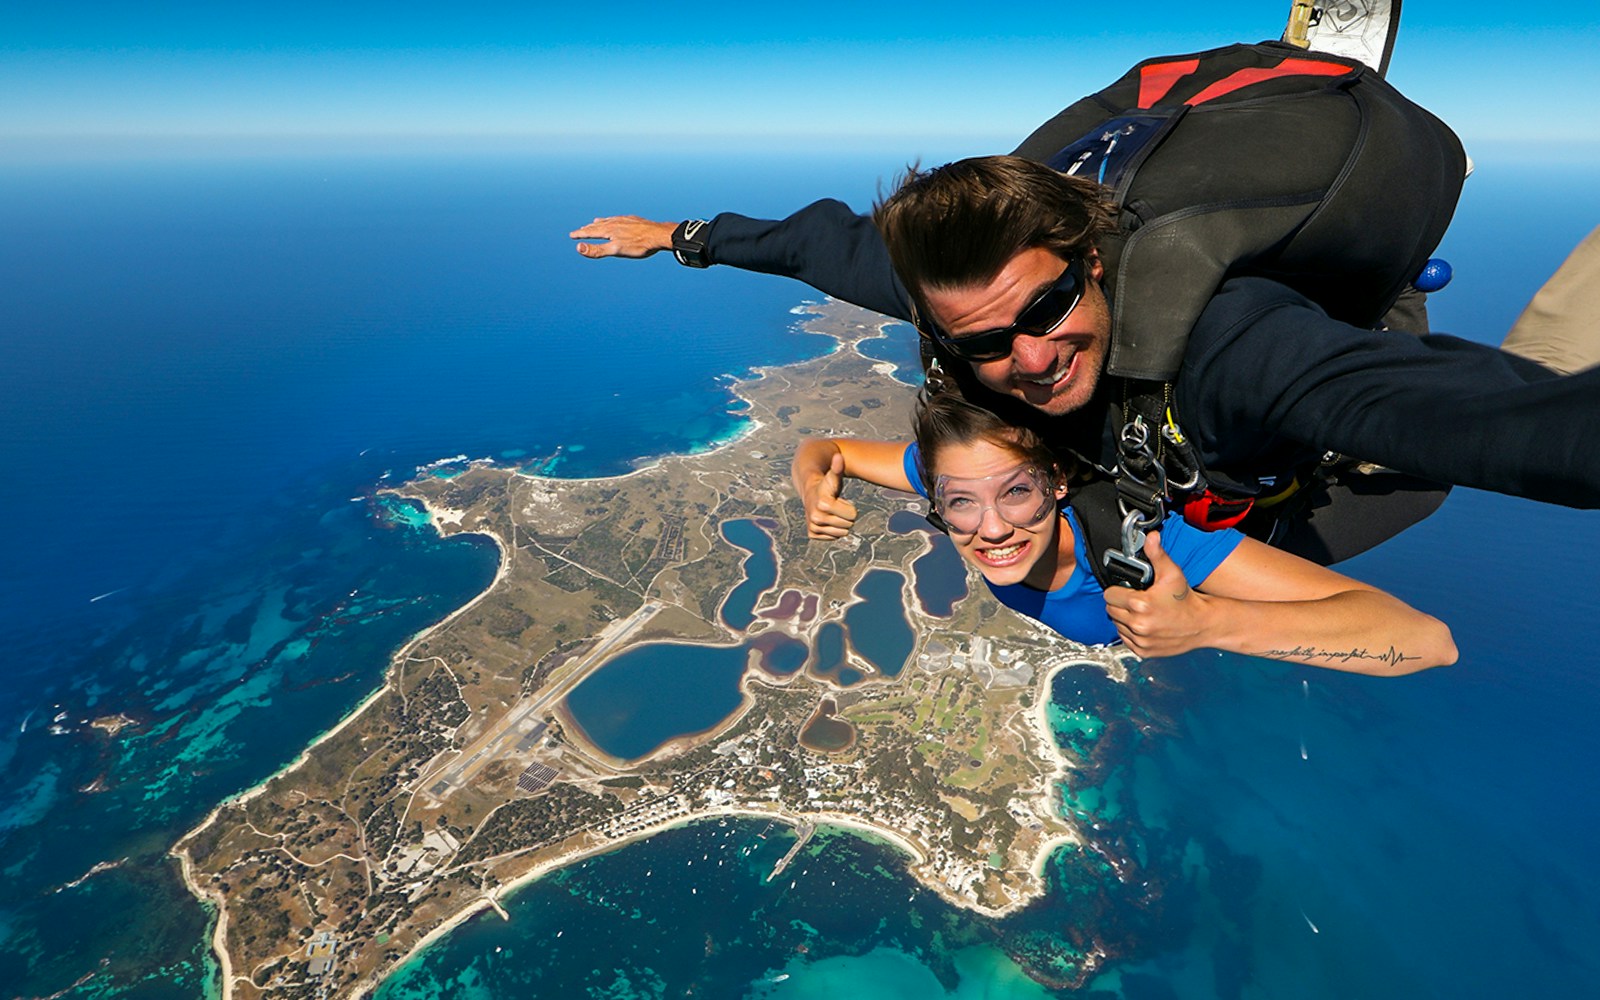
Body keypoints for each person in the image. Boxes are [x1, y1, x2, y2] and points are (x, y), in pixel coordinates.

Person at [572, 156, 1600, 565]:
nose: (1028, 354)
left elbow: (1480, 420)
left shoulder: (1228, 348)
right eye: (981, 342)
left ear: (1091, 261)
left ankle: (1399, 284)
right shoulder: (957, 299)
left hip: (1323, 459)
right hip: (1194, 492)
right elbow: (810, 243)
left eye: (1053, 305)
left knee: (1457, 452)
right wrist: (676, 235)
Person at [790, 384, 1456, 674]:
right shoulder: (967, 472)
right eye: (959, 502)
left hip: (1296, 519)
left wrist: (1207, 624)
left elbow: (1426, 642)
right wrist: (812, 487)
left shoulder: (1148, 545)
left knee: (1439, 460)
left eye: (1017, 493)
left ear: (1057, 481)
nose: (990, 527)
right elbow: (828, 450)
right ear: (936, 493)